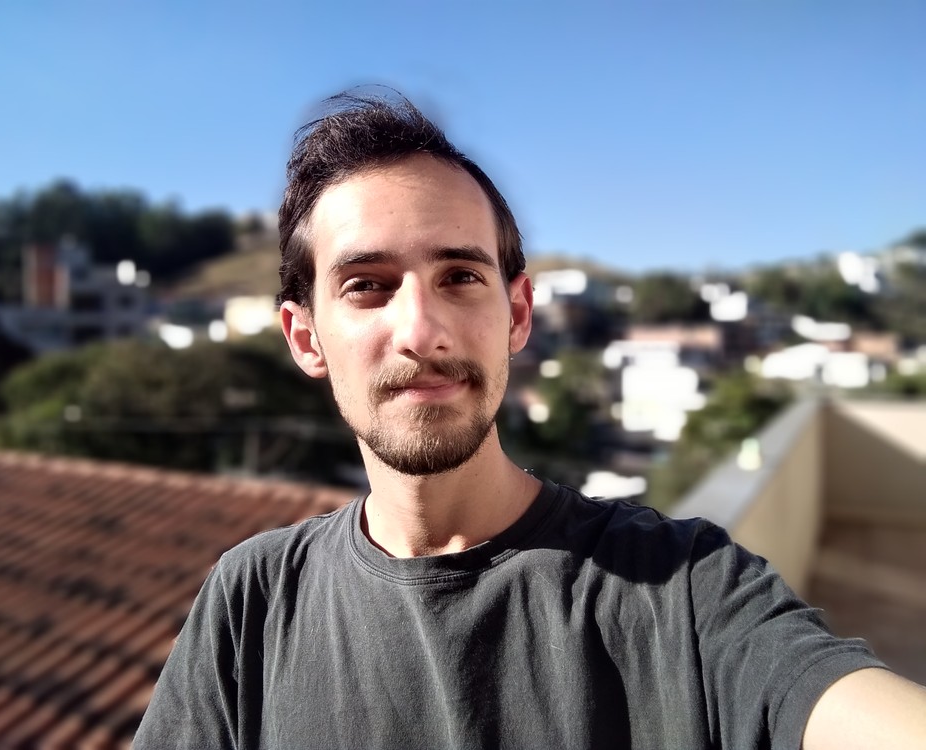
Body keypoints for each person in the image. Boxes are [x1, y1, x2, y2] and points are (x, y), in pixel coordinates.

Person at [134, 91, 926, 749]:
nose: (421, 330)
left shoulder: (683, 588)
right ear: (306, 338)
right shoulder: (253, 601)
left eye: (460, 276)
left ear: (516, 315)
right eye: (367, 285)